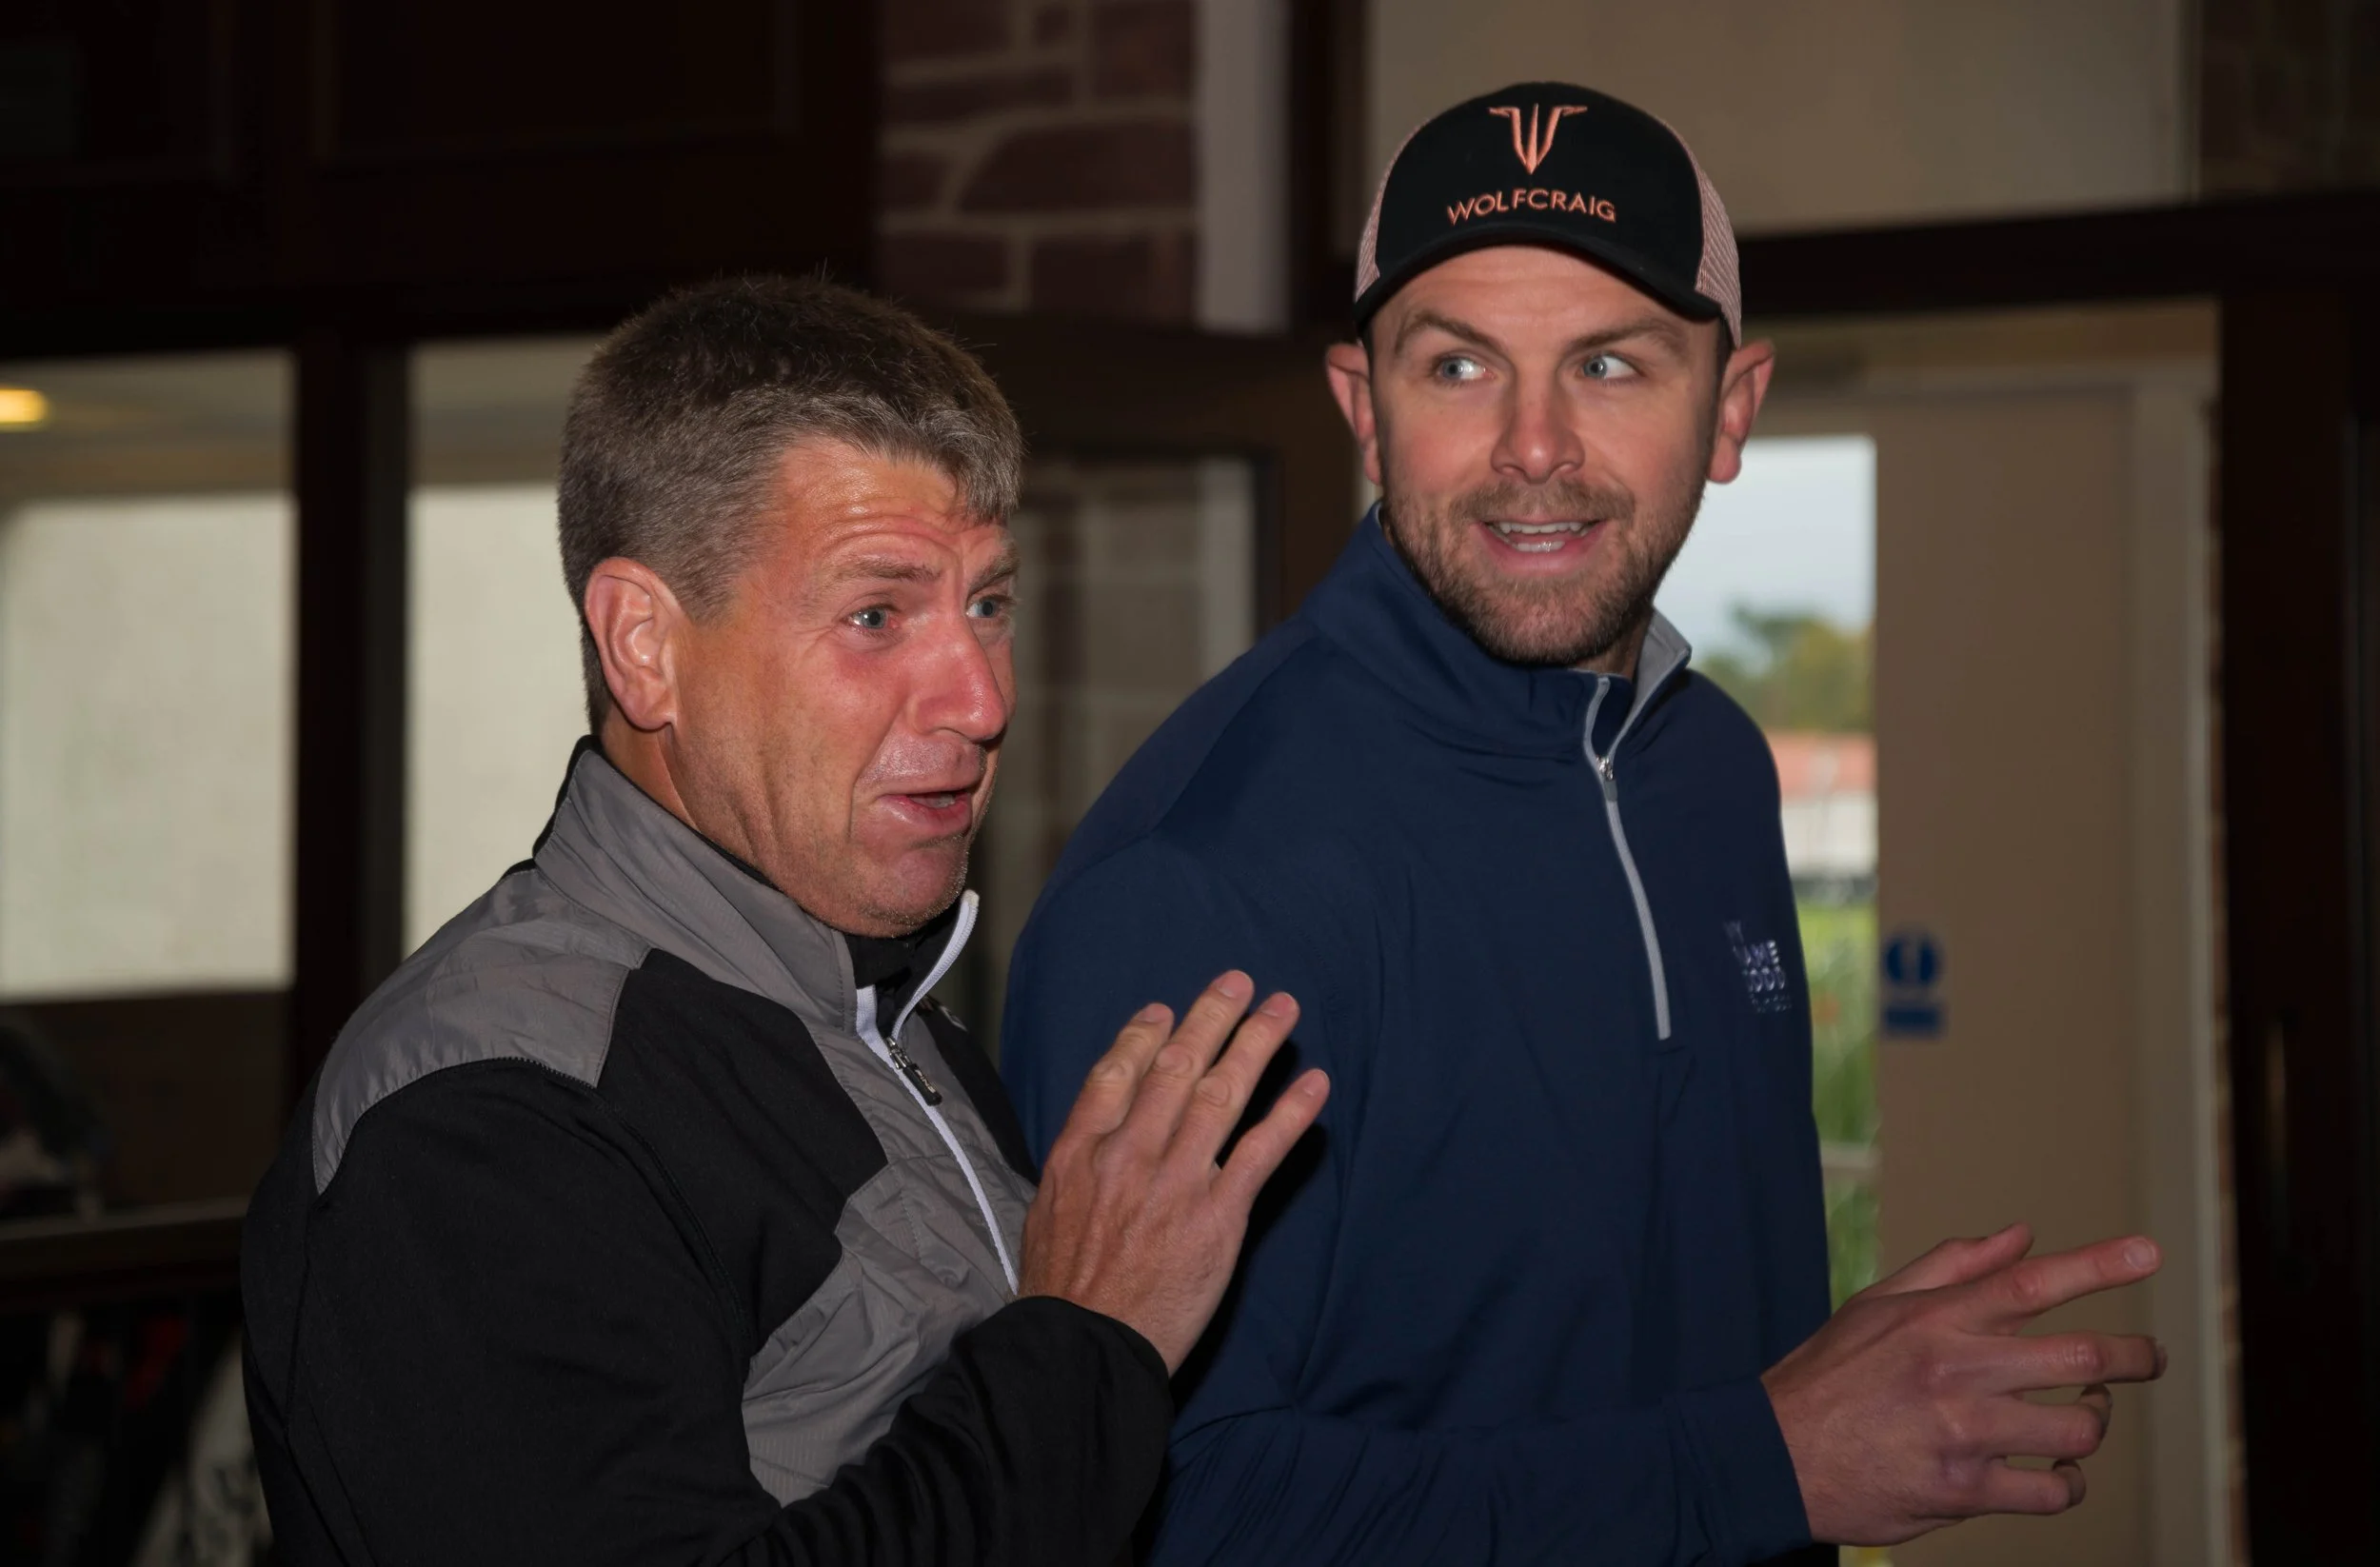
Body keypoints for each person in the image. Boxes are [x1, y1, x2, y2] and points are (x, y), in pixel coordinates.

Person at [1001, 81, 2165, 1565]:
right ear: (1365, 410)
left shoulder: (1713, 770)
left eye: (1610, 364)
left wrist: (1808, 1405)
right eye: (1459, 365)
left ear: (1730, 409)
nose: (1534, 445)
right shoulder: (1205, 873)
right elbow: (1168, 1513)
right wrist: (1767, 1458)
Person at [240, 276, 1327, 1567]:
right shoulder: (488, 1114)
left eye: (988, 604)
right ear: (645, 646)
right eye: (876, 615)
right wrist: (1089, 1336)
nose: (980, 698)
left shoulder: (880, 1015)